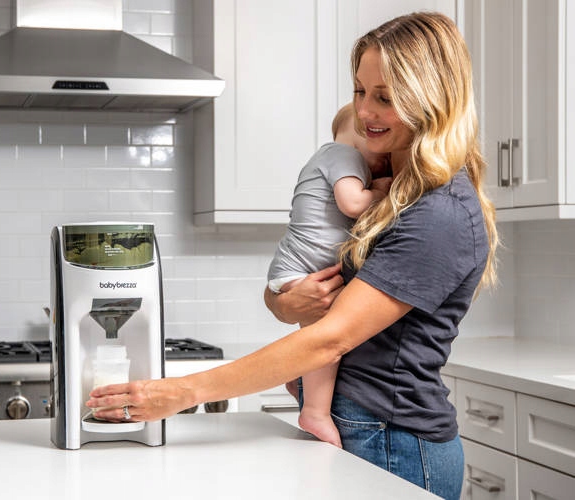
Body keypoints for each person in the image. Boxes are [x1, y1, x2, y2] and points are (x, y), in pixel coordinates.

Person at [87, 12, 498, 500]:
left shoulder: (439, 212)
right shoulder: (386, 187)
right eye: (359, 91)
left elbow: (331, 338)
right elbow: (312, 286)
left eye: (385, 97)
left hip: (394, 442)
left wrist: (181, 391)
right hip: (360, 426)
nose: (364, 111)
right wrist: (283, 301)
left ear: (433, 100)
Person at [267, 104, 392, 446]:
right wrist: (382, 192)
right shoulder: (342, 154)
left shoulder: (335, 159)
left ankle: (300, 379)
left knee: (320, 333)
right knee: (327, 338)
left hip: (299, 267)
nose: (382, 165)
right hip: (303, 269)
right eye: (380, 157)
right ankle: (315, 412)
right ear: (360, 134)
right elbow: (353, 204)